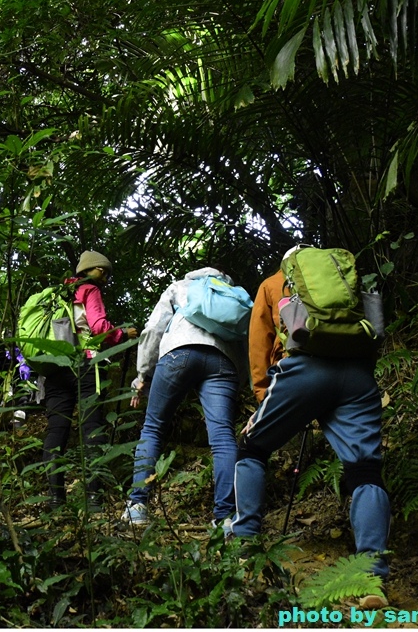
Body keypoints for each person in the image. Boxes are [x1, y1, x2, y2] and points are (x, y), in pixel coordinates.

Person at [231, 260, 391, 610]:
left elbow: (260, 342)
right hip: (358, 375)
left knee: (252, 448)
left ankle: (244, 547)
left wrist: (262, 400)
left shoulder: (276, 282)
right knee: (365, 470)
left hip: (305, 370)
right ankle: (372, 577)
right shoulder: (346, 284)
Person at [123, 268, 248, 528]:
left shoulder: (181, 286)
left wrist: (143, 373)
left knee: (153, 428)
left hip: (178, 353)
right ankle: (224, 518)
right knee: (223, 438)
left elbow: (154, 328)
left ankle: (137, 506)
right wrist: (241, 379)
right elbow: (244, 340)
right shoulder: (233, 295)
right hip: (223, 361)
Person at [42, 250, 138, 509]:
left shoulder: (57, 294)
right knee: (92, 428)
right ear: (86, 271)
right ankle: (94, 498)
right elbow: (98, 328)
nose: (104, 275)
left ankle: (55, 499)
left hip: (54, 366)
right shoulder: (90, 290)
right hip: (84, 364)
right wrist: (122, 334)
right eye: (101, 270)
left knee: (56, 430)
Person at [248, 270, 286, 403]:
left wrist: (262, 391)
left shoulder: (271, 284)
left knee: (283, 422)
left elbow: (260, 341)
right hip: (345, 364)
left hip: (293, 365)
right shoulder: (336, 280)